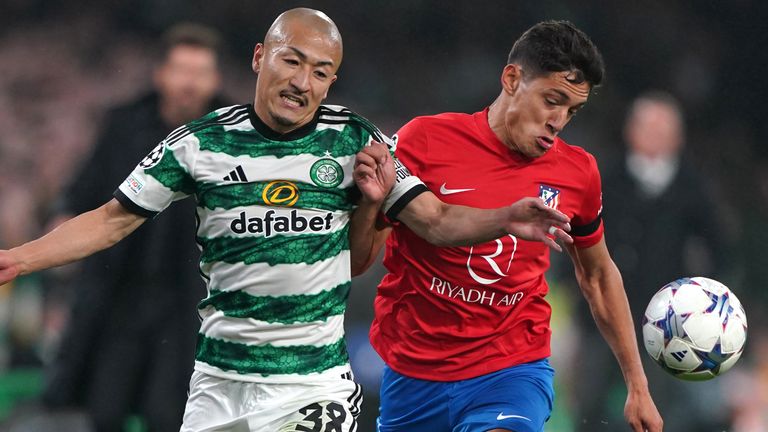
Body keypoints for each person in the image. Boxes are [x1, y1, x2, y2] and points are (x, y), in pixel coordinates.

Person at [0, 9, 573, 432]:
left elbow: (437, 220)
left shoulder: (356, 141)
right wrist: (17, 259)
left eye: (320, 72)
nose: (302, 81)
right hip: (219, 381)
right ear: (259, 58)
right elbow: (109, 221)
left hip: (311, 385)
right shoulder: (200, 144)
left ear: (331, 82)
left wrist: (505, 217)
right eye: (291, 60)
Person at [366, 21, 664, 432]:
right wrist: (368, 202)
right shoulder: (424, 141)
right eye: (552, 100)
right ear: (512, 78)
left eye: (572, 111)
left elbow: (596, 274)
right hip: (413, 373)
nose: (559, 120)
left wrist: (638, 384)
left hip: (511, 369)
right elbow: (365, 254)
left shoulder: (578, 173)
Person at [39, 23, 224, 431]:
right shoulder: (124, 124)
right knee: (104, 409)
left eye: (200, 72)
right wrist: (63, 220)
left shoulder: (230, 134)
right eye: (181, 70)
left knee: (169, 413)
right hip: (119, 290)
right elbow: (85, 188)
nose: (190, 83)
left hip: (190, 299)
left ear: (215, 80)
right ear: (161, 74)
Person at [571, 91, 728, 431]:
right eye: (647, 127)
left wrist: (702, 301)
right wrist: (574, 286)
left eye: (663, 129)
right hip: (600, 312)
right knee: (589, 400)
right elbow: (574, 237)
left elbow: (719, 249)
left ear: (678, 137)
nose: (654, 136)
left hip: (664, 321)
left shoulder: (693, 187)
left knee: (658, 407)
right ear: (630, 130)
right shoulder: (604, 177)